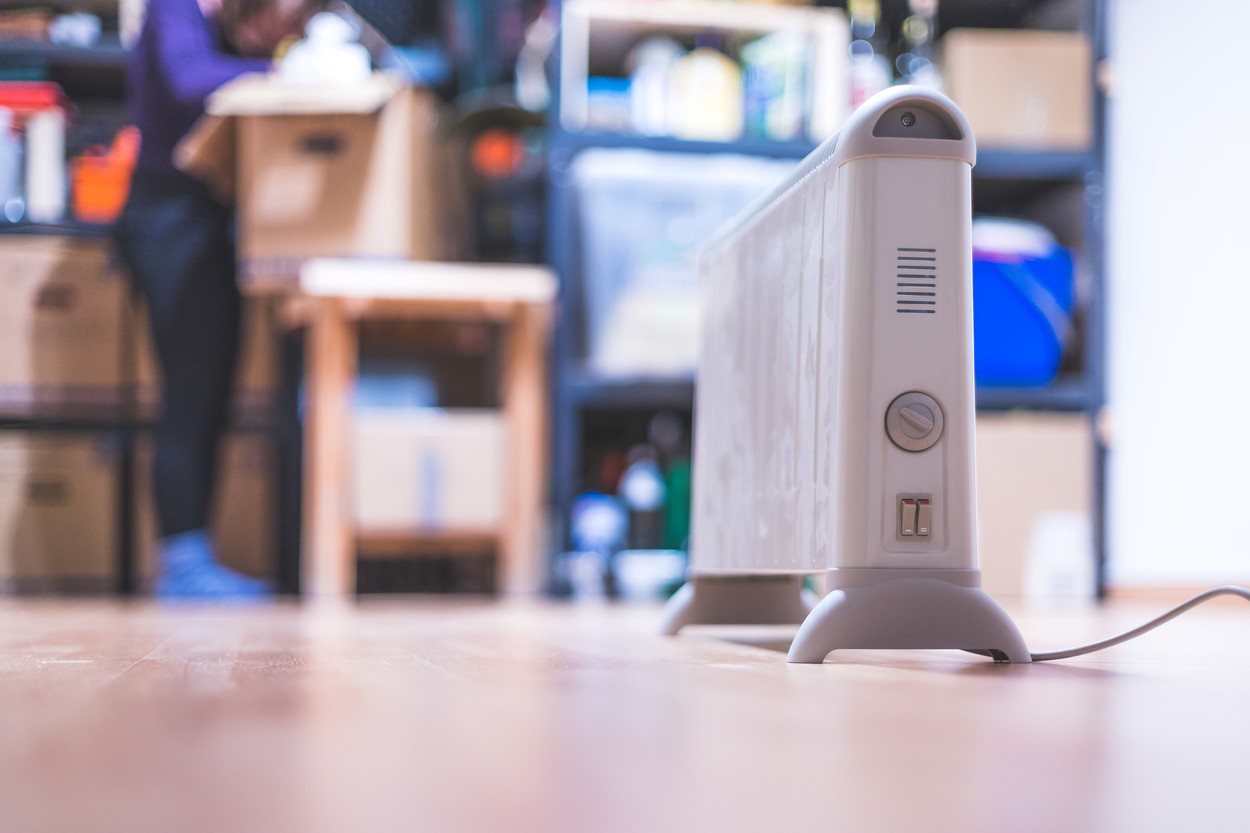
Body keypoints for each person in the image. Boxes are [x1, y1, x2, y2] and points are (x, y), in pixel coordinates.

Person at [114, 0, 317, 598]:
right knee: (189, 393)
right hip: (167, 221)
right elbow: (189, 81)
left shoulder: (229, 28)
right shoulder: (175, 8)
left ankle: (192, 559)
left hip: (208, 220)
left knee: (214, 394)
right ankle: (182, 566)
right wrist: (285, 77)